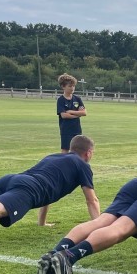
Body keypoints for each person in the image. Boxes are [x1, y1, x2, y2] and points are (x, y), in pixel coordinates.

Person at [38, 73, 89, 226]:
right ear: (63, 87)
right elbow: (63, 116)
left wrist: (72, 113)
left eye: (73, 86)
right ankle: (64, 172)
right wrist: (75, 113)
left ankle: (76, 172)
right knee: (65, 154)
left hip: (77, 131)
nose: (72, 88)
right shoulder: (61, 100)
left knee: (79, 155)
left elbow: (84, 113)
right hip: (66, 131)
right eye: (69, 86)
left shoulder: (77, 99)